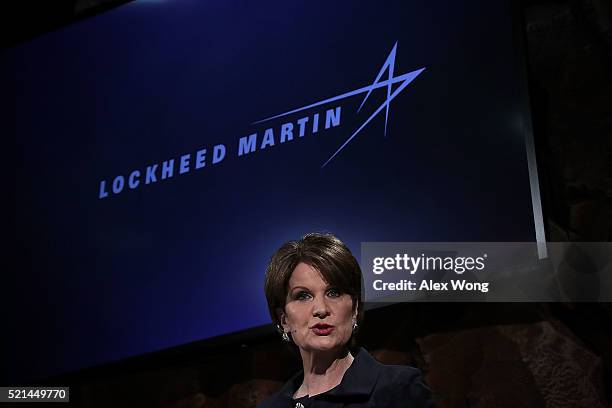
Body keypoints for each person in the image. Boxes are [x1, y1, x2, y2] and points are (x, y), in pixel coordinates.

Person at [258, 233, 433, 408]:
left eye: (334, 293)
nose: (321, 309)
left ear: (355, 309)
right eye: (303, 296)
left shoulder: (398, 389)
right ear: (284, 319)